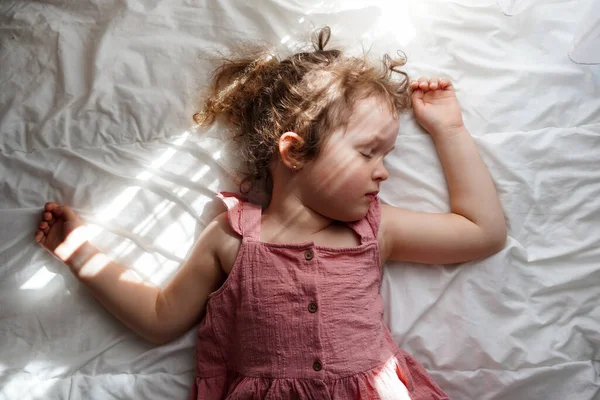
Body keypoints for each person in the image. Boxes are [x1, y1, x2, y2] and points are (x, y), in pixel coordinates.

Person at [35, 27, 506, 400]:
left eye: (387, 156)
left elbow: (482, 232)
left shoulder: (375, 231)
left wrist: (450, 130)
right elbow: (160, 317)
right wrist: (78, 253)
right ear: (295, 152)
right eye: (368, 154)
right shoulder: (232, 239)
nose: (383, 173)